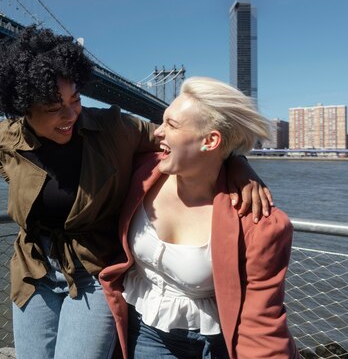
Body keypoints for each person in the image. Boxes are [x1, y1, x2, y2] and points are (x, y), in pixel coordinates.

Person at [0, 26, 273, 359]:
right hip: (33, 270)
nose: (69, 115)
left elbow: (186, 142)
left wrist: (239, 165)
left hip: (91, 272)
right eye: (53, 108)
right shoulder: (5, 141)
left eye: (75, 99)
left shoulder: (113, 129)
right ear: (24, 109)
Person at [100, 77, 299, 359]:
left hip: (214, 343)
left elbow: (262, 324)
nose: (157, 132)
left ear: (210, 140)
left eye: (171, 125)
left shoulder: (258, 222)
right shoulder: (142, 171)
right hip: (142, 329)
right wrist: (238, 161)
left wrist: (237, 161)